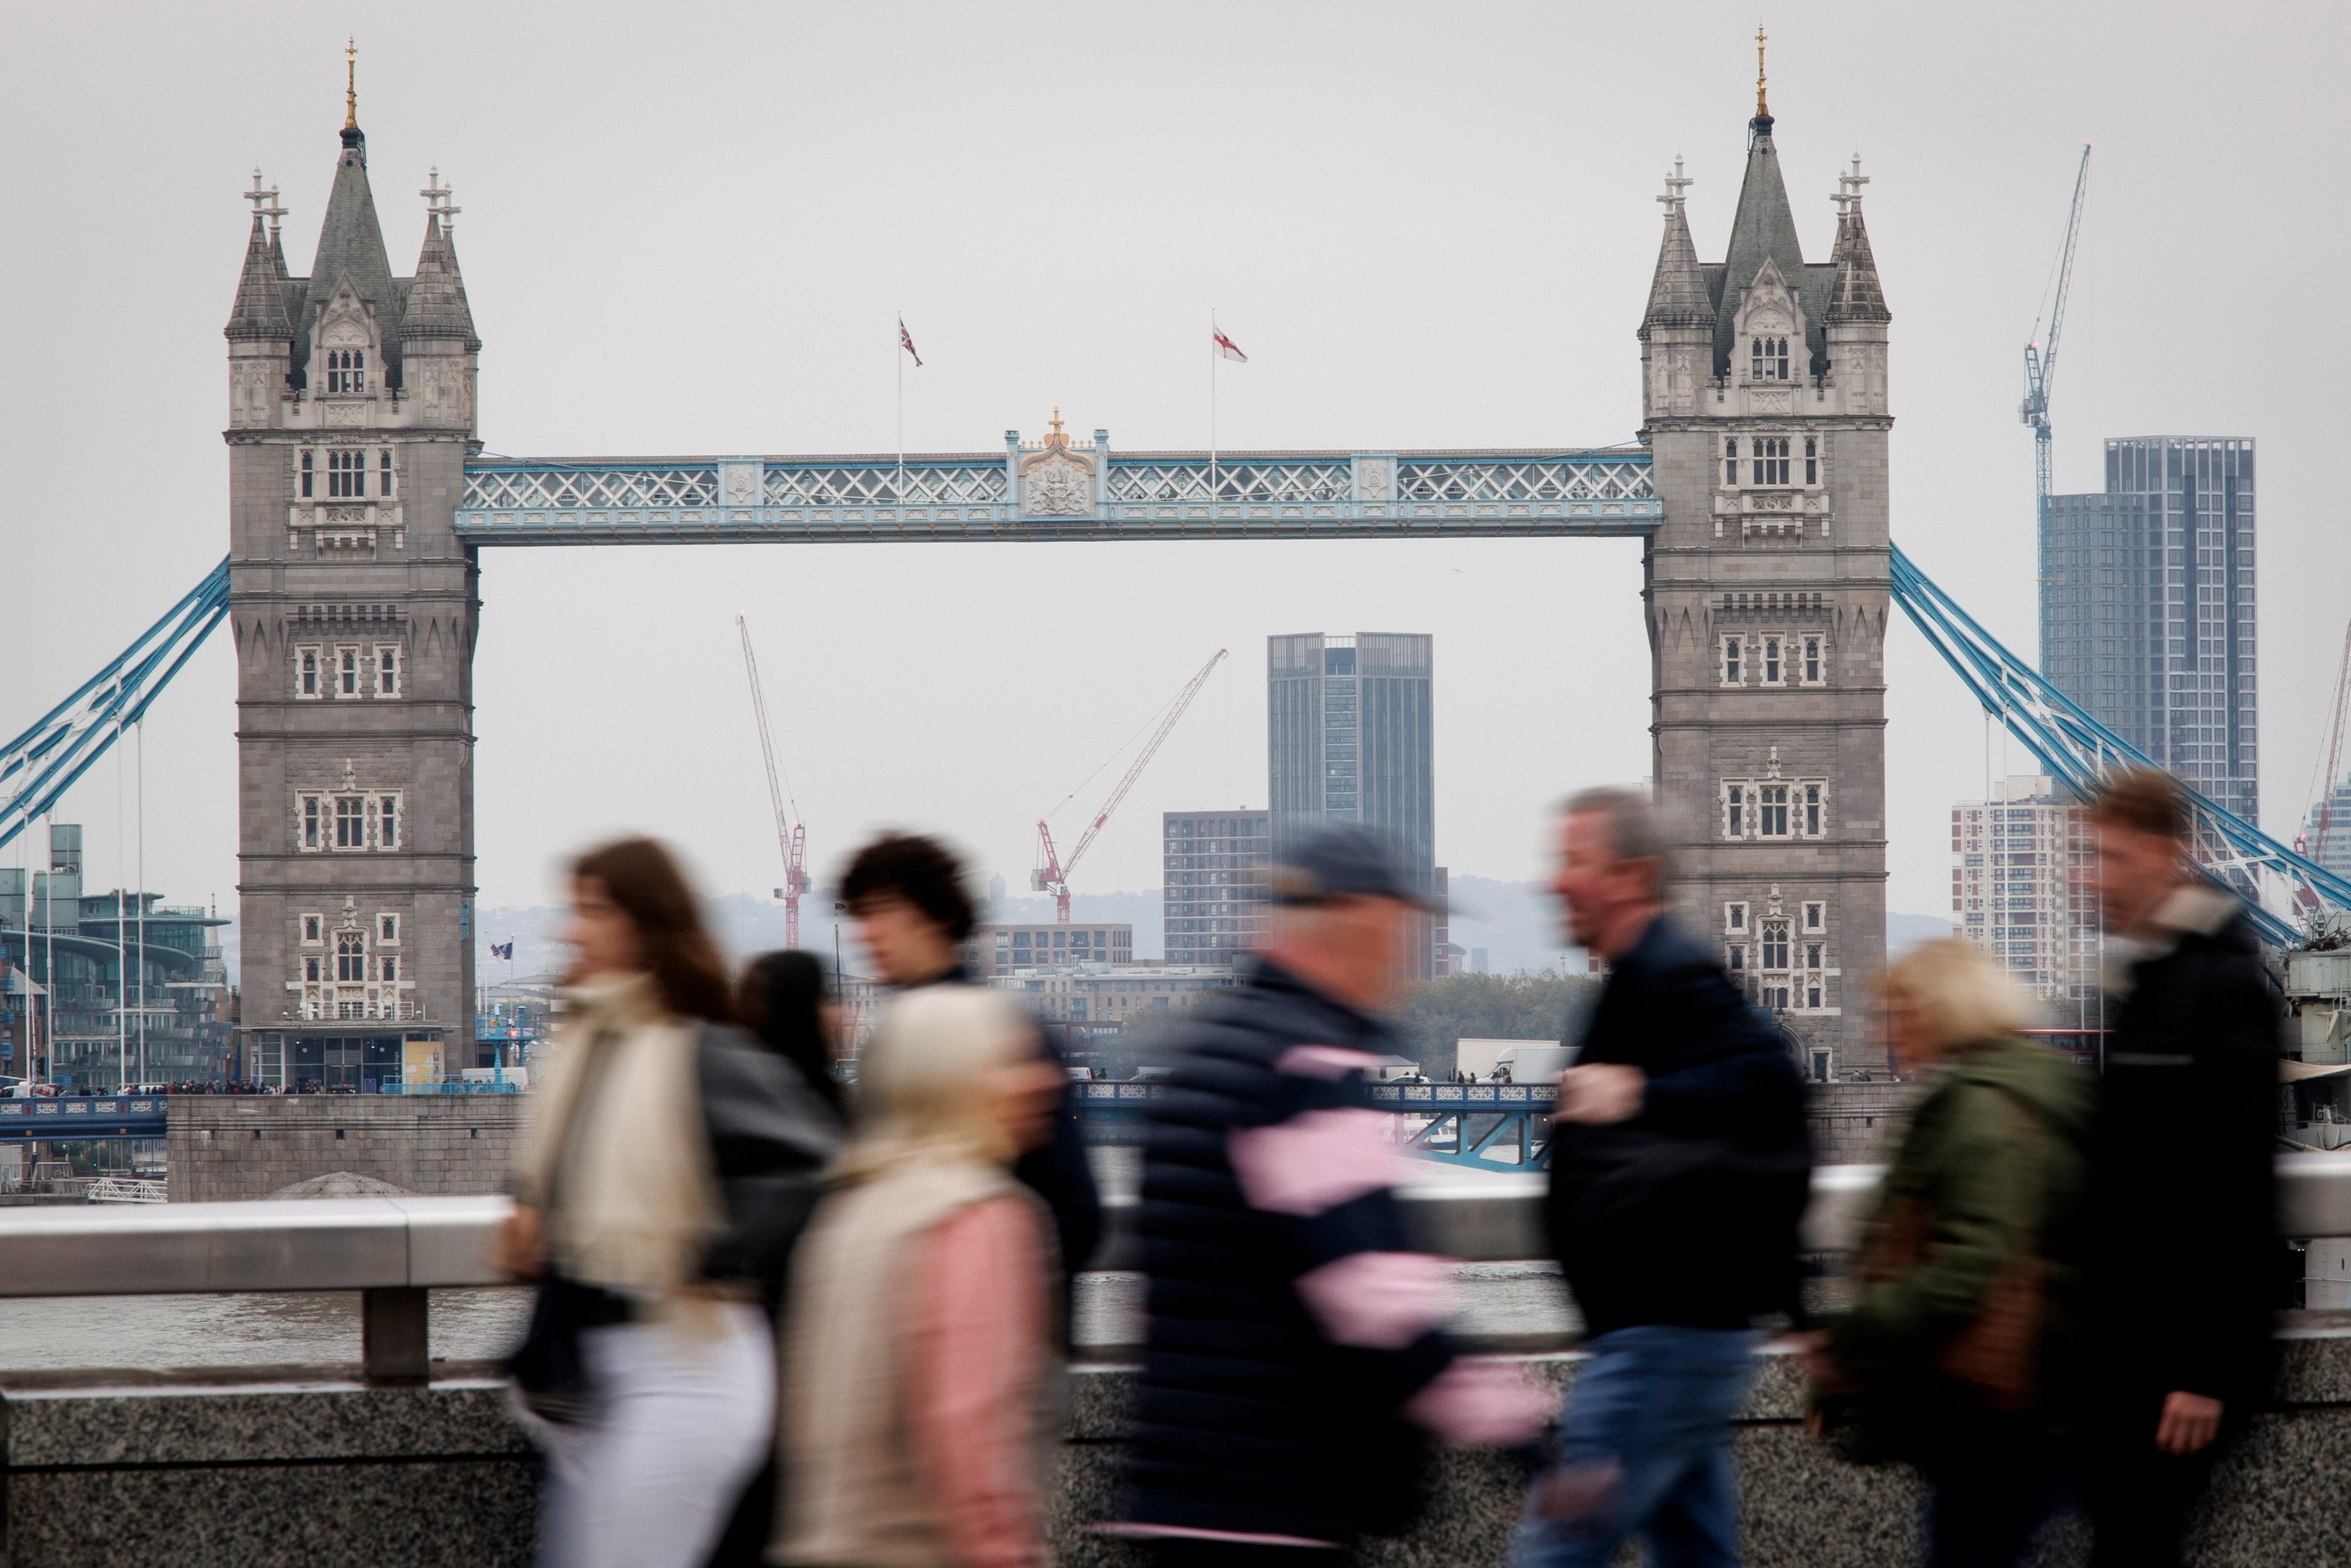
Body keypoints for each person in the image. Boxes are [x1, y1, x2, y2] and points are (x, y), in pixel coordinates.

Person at [1117, 821, 1549, 1568]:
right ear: (1354, 920)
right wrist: (1527, 1440)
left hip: (1179, 1485)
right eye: (1399, 930)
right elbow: (1381, 1301)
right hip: (1276, 1499)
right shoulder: (1310, 1075)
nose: (1403, 959)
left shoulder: (1201, 1055)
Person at [498, 838, 842, 1568]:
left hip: (686, 1368)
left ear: (644, 924)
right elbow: (573, 1173)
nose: (572, 930)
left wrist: (699, 1255)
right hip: (605, 1370)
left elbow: (810, 1165)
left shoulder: (697, 1052)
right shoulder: (592, 1044)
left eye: (592, 911)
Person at [1519, 787, 1810, 1568]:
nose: (1555, 882)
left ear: (1629, 875)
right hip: (1677, 1334)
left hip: (1660, 1342)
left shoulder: (1672, 975)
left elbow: (1773, 1089)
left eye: (1573, 862)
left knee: (1554, 1551)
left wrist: (1638, 1093)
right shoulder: (1633, 978)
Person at [1805, 939, 2091, 1568]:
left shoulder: (1981, 1107)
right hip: (2030, 1402)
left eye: (1900, 1011)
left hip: (2001, 1414)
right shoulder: (2013, 1086)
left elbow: (1969, 1263)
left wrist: (1852, 1341)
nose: (1888, 1029)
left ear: (1943, 1012)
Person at [775, 985, 1070, 1568]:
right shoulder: (979, 1216)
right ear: (953, 1081)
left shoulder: (851, 1210)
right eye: (1011, 1062)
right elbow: (969, 1432)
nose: (1046, 1080)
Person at [2079, 768, 2278, 1567]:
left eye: (2110, 857)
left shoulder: (2219, 983)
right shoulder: (2146, 975)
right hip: (2133, 1354)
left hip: (2179, 1370)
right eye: (2087, 857)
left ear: (2166, 856)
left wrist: (2203, 1371)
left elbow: (2234, 1184)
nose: (2089, 877)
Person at [840, 831, 1102, 1309]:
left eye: (881, 909)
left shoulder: (1007, 1034)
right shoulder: (891, 1040)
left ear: (936, 912)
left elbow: (1075, 1207)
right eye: (860, 914)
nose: (866, 931)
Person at [702, 951, 853, 1568]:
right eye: (826, 1000)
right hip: (796, 1362)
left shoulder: (734, 1100)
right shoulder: (822, 1110)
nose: (839, 1015)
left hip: (741, 1364)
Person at [738, 950, 847, 1116]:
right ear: (803, 1013)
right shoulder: (814, 1109)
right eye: (826, 999)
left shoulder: (744, 1100)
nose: (838, 1013)